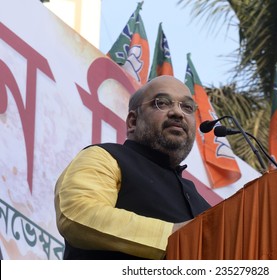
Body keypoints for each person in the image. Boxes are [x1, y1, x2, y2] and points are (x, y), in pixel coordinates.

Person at [54, 75, 211, 259]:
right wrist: (178, 237)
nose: (178, 113)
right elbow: (77, 214)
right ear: (133, 122)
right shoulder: (105, 157)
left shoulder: (203, 205)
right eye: (162, 103)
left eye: (187, 107)